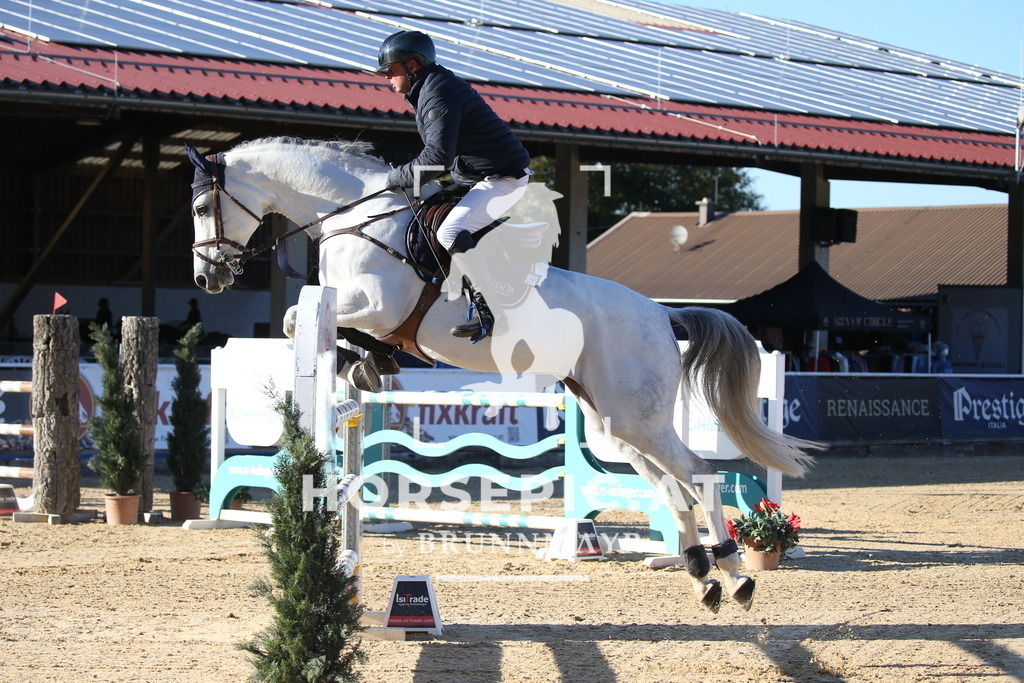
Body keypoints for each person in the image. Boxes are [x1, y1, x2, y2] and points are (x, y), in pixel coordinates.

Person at [378, 30, 532, 343]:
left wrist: (394, 178)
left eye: (391, 70)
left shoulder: (437, 92)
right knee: (427, 207)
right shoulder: (430, 87)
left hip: (503, 180)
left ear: (412, 66)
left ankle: (491, 312)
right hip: (477, 177)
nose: (388, 78)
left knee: (448, 231)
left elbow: (436, 158)